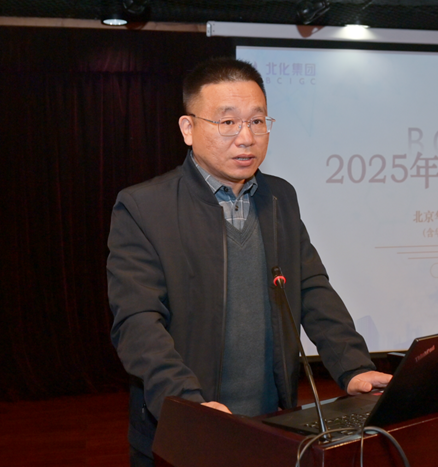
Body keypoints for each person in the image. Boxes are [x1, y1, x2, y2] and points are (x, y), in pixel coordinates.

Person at [107, 57, 392, 466]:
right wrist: (188, 403)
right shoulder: (144, 207)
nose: (246, 137)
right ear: (188, 128)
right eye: (227, 122)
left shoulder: (279, 197)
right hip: (187, 429)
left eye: (257, 122)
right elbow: (138, 322)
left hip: (274, 425)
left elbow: (311, 288)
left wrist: (353, 367)